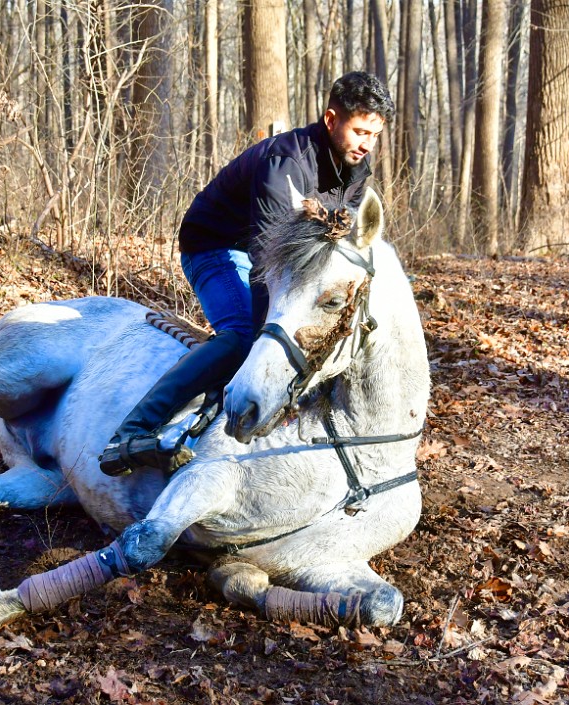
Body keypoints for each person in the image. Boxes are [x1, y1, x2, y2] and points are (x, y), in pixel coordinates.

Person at [98, 71, 395, 476]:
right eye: (359, 131)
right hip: (217, 248)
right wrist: (264, 347)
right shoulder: (284, 164)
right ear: (330, 120)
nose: (366, 144)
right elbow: (268, 265)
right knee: (243, 338)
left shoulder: (357, 172)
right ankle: (130, 433)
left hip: (276, 261)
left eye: (374, 135)